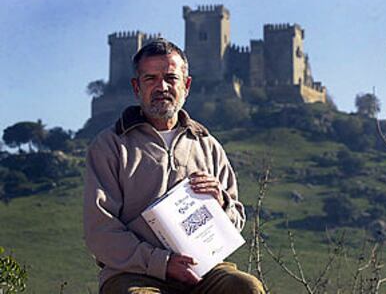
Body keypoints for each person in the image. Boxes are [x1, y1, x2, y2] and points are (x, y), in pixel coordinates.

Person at [84, 38, 264, 294]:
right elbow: (100, 232)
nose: (162, 87)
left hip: (205, 272)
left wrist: (221, 203)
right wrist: (162, 264)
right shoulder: (109, 146)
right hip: (135, 273)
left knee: (247, 288)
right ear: (136, 87)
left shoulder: (208, 145)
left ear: (186, 85)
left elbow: (235, 220)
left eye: (171, 78)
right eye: (151, 79)